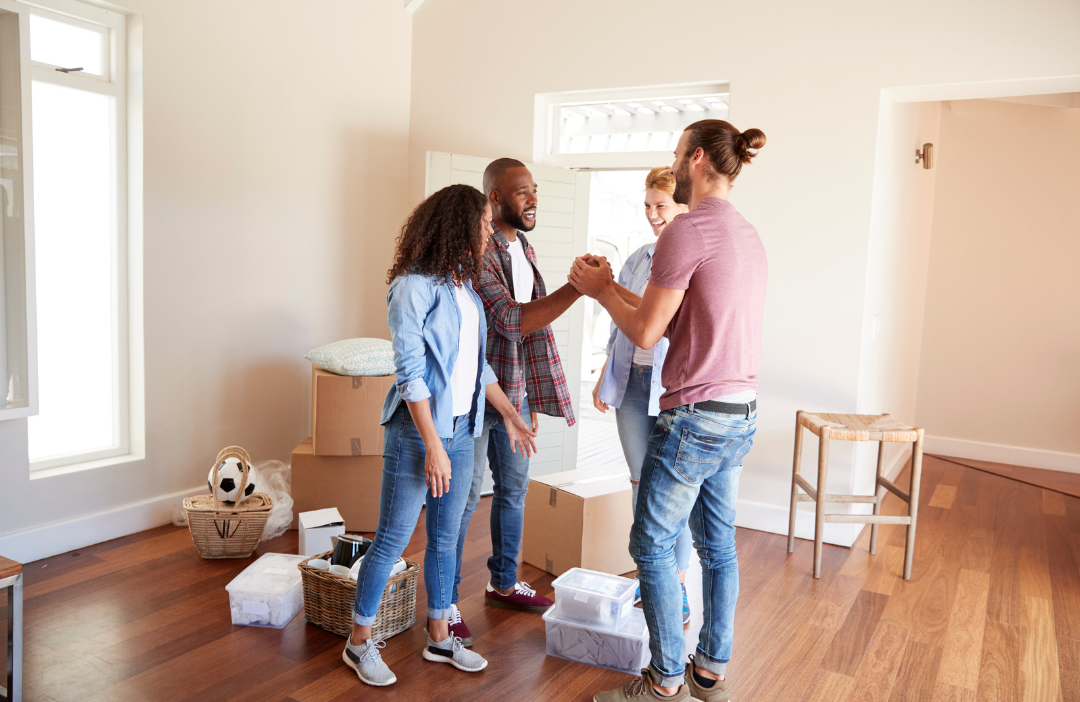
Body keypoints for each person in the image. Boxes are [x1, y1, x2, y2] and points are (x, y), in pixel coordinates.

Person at [572, 120, 768, 702]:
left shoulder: (688, 230)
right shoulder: (746, 233)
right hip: (739, 413)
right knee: (718, 546)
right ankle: (709, 672)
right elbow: (680, 315)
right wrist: (612, 282)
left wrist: (600, 292)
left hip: (695, 418)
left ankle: (663, 683)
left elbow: (648, 332)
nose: (674, 163)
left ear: (698, 159)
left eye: (677, 154)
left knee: (651, 546)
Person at [343, 184, 538, 688]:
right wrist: (432, 444)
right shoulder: (413, 286)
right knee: (391, 541)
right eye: (481, 224)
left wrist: (510, 414)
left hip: (462, 430)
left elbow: (477, 368)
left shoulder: (464, 288)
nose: (487, 232)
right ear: (457, 225)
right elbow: (410, 373)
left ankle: (438, 634)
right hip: (418, 433)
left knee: (447, 539)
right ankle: (359, 642)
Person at [448, 158, 581, 644]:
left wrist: (525, 401)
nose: (533, 199)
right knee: (463, 501)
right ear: (496, 199)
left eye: (535, 190)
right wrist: (577, 289)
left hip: (515, 390)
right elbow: (509, 320)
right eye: (522, 192)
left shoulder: (523, 246)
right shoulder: (479, 251)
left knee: (514, 490)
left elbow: (530, 328)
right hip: (479, 391)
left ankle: (503, 582)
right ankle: (444, 604)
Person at [591, 167, 693, 627]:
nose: (653, 215)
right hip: (632, 384)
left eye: (662, 206)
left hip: (673, 387)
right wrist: (603, 376)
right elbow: (621, 325)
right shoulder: (638, 258)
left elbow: (665, 324)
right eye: (648, 205)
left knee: (673, 490)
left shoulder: (690, 258)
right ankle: (650, 577)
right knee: (639, 483)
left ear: (682, 206)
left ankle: (680, 587)